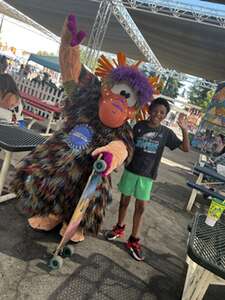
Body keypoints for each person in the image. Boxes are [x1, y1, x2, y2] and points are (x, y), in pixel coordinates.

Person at [106, 97, 190, 261]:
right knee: (124, 202)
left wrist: (185, 130)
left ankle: (134, 240)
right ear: (149, 110)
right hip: (131, 171)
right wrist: (116, 163)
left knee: (141, 208)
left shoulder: (166, 133)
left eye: (162, 113)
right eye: (156, 111)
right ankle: (119, 228)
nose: (158, 114)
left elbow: (185, 148)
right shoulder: (139, 127)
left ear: (165, 116)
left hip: (147, 176)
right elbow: (127, 147)